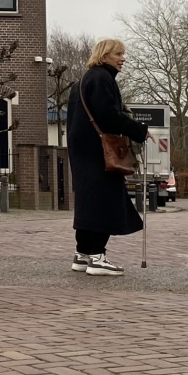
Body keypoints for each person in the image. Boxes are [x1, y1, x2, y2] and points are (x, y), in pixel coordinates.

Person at [67, 37, 150, 276]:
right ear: (104, 56)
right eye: (119, 54)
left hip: (82, 150)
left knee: (88, 200)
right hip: (100, 152)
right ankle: (97, 257)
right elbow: (109, 115)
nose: (123, 58)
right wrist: (140, 131)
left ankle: (82, 254)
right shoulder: (102, 79)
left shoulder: (82, 81)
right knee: (104, 200)